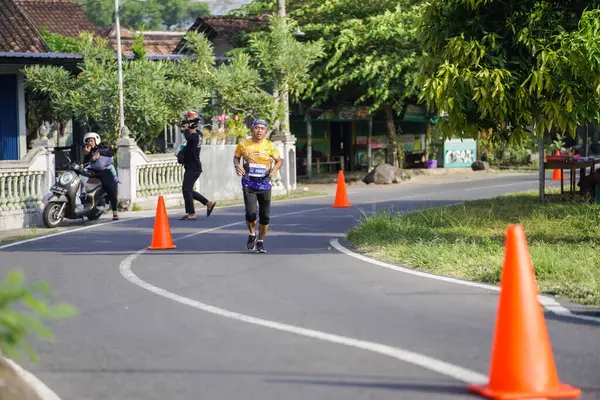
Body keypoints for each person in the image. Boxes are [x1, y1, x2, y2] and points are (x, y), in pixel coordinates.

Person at [233, 118, 282, 253]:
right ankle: (251, 233)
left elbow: (278, 161)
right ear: (252, 129)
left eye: (262, 128)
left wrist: (274, 170)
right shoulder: (243, 144)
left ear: (265, 131)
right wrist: (237, 166)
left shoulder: (270, 146)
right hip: (249, 183)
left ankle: (260, 241)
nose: (259, 130)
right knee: (251, 214)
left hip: (265, 184)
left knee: (265, 216)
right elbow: (236, 157)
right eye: (256, 128)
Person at [179, 110, 217, 220]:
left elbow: (189, 138)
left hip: (193, 167)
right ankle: (208, 203)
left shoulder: (195, 136)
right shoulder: (198, 134)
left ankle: (191, 213)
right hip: (192, 166)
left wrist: (186, 129)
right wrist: (181, 156)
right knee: (189, 189)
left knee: (186, 190)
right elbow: (187, 147)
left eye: (187, 121)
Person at [82, 132, 120, 220]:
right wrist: (87, 154)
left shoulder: (103, 148)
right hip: (93, 172)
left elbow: (110, 152)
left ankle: (115, 212)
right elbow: (85, 163)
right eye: (88, 142)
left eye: (91, 141)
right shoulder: (88, 151)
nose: (90, 143)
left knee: (112, 189)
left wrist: (99, 153)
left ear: (96, 141)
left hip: (104, 172)